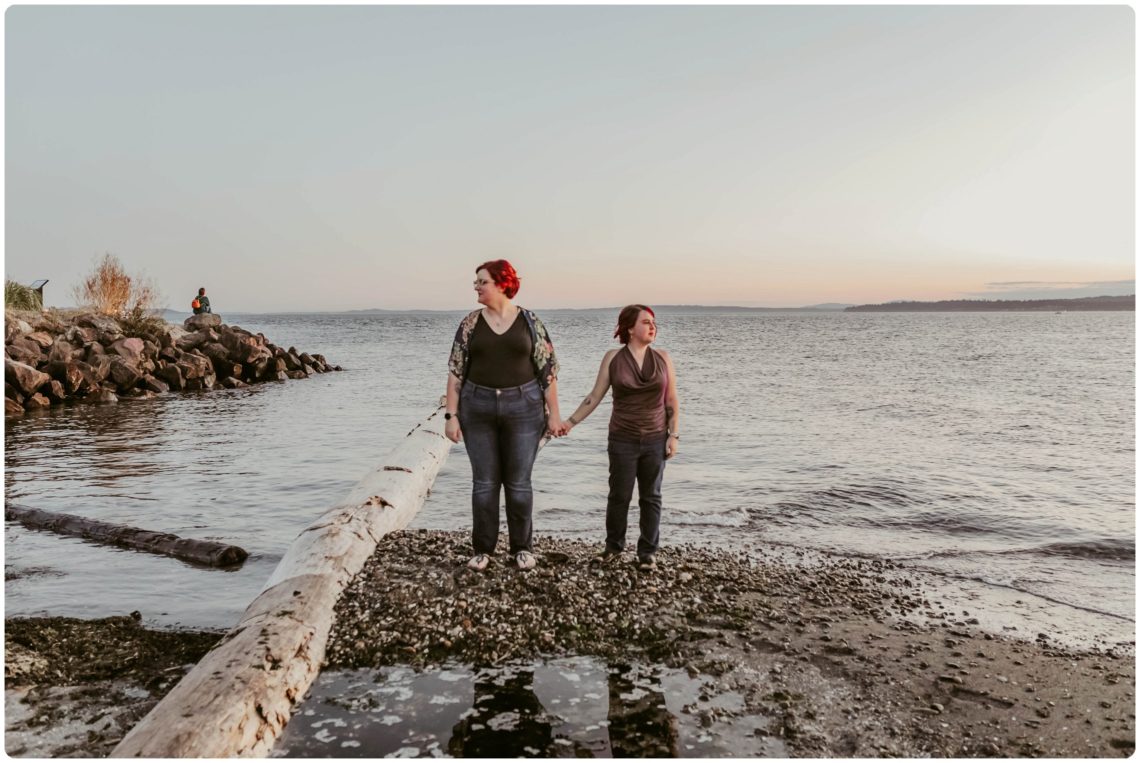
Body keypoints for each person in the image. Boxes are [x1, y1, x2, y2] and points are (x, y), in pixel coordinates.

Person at [444, 260, 564, 571]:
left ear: (501, 283)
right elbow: (456, 373)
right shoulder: (471, 324)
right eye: (476, 282)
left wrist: (554, 415)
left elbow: (548, 372)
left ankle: (521, 548)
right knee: (484, 483)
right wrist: (451, 416)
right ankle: (483, 550)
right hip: (477, 407)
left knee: (519, 483)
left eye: (482, 281)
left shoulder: (530, 321)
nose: (476, 287)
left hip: (524, 407)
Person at [561, 305, 680, 569]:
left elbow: (671, 399)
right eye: (646, 322)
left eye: (654, 322)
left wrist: (674, 435)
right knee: (619, 496)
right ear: (630, 328)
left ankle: (647, 553)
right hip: (622, 439)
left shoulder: (663, 357)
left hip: (655, 437)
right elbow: (594, 396)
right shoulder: (613, 358)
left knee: (651, 496)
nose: (653, 326)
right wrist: (569, 422)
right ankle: (613, 547)